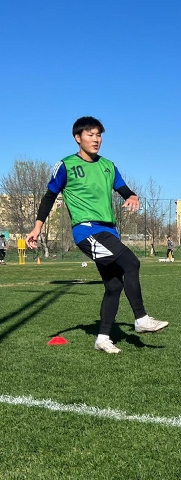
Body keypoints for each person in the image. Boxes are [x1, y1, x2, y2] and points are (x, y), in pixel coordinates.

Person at [26, 116, 168, 354]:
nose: (96, 139)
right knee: (131, 263)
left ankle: (102, 338)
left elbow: (123, 189)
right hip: (87, 231)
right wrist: (37, 227)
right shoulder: (66, 165)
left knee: (114, 285)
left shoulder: (108, 166)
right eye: (90, 135)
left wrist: (132, 196)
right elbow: (50, 195)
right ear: (77, 138)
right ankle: (141, 319)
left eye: (99, 135)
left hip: (108, 231)